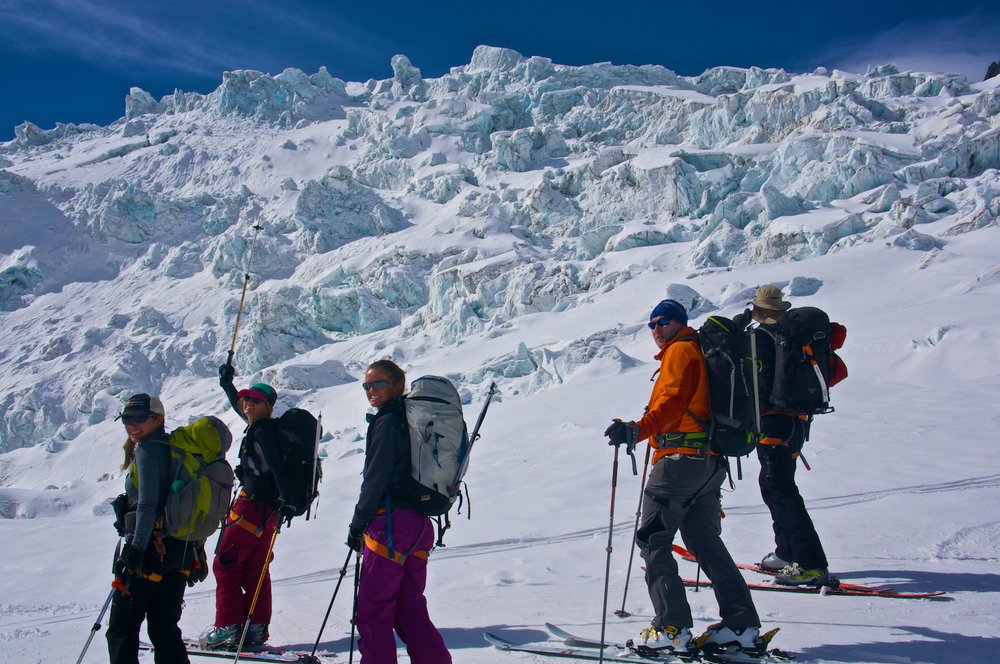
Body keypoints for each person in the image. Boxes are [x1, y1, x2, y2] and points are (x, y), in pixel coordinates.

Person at [605, 299, 761, 653]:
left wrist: (636, 430)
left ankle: (671, 629)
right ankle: (741, 625)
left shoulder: (681, 352)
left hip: (679, 463)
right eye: (651, 325)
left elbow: (672, 403)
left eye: (662, 323)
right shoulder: (698, 352)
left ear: (679, 323)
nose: (656, 331)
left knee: (653, 540)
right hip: (708, 465)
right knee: (706, 544)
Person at [346, 359, 452, 664]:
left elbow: (375, 477)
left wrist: (357, 523)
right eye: (367, 385)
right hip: (419, 525)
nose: (371, 391)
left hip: (389, 525)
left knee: (373, 610)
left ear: (397, 384)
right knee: (410, 608)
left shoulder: (388, 421)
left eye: (379, 383)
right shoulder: (412, 421)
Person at [203, 367, 295, 650]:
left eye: (254, 401)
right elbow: (239, 406)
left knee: (226, 565)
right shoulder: (269, 428)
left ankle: (228, 627)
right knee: (256, 568)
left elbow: (277, 469)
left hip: (250, 507)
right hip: (269, 513)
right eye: (246, 400)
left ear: (267, 406)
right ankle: (255, 627)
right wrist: (228, 385)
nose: (247, 405)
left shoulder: (262, 431)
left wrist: (287, 496)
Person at [746, 284, 831, 586]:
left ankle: (811, 563)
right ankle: (786, 551)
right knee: (775, 486)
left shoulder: (762, 337)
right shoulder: (790, 337)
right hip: (797, 422)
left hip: (773, 423)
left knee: (779, 488)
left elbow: (760, 381)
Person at [106, 393, 196, 664]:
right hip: (179, 552)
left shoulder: (147, 450)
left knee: (122, 629)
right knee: (164, 628)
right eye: (127, 419)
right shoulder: (174, 447)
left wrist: (135, 549)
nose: (132, 425)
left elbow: (147, 504)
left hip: (149, 555)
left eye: (139, 419)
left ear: (158, 419)